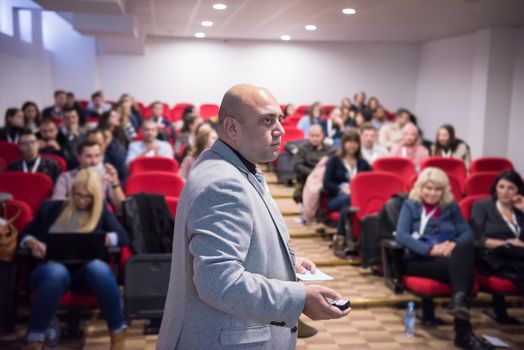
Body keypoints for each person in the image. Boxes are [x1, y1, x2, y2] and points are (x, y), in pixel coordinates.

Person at [157, 84, 350, 350]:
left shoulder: (233, 167)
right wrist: (300, 299)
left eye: (279, 119)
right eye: (266, 120)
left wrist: (287, 262)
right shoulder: (223, 183)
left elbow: (242, 242)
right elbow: (219, 281)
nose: (280, 129)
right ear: (233, 128)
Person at [19, 169, 129, 350]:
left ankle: (118, 333)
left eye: (88, 197)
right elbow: (25, 235)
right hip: (48, 272)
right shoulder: (50, 208)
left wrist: (107, 239)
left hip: (84, 276)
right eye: (78, 195)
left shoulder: (100, 210)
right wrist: (32, 243)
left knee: (99, 268)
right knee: (57, 272)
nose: (82, 200)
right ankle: (34, 339)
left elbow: (123, 237)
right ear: (71, 192)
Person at [396, 167, 489, 350]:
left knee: (465, 249)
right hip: (417, 260)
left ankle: (460, 311)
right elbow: (402, 235)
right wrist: (430, 250)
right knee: (465, 270)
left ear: (444, 190)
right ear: (420, 188)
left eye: (437, 189)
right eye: (428, 188)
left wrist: (452, 245)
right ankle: (462, 329)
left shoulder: (450, 207)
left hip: (447, 258)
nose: (432, 193)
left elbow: (466, 234)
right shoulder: (410, 205)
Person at [470, 171, 524, 293]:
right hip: (493, 258)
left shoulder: (520, 209)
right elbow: (477, 239)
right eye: (501, 187)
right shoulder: (482, 206)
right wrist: (507, 244)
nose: (505, 192)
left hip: (518, 258)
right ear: (495, 188)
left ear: (518, 191)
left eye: (511, 188)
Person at [323, 130, 372, 258]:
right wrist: (341, 189)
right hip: (336, 198)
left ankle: (345, 239)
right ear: (344, 143)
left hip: (358, 200)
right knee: (348, 200)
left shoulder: (363, 163)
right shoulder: (334, 160)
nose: (352, 145)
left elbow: (372, 181)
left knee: (352, 202)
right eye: (349, 141)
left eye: (355, 142)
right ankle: (340, 238)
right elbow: (326, 183)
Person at [53, 140, 126, 212]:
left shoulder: (106, 176)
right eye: (89, 156)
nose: (94, 161)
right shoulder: (66, 178)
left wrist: (115, 183)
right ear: (78, 157)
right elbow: (57, 207)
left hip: (100, 216)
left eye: (97, 156)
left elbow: (121, 207)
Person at [293, 125, 335, 204]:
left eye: (317, 136)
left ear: (322, 135)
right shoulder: (303, 149)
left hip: (324, 179)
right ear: (308, 136)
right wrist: (313, 174)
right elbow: (298, 165)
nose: (314, 138)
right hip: (307, 179)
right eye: (312, 136)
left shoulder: (331, 149)